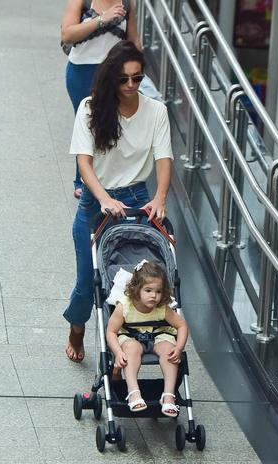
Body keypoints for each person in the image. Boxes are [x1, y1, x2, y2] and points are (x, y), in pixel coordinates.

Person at [63, 41, 173, 363]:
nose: (130, 86)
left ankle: (125, 346)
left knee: (136, 282)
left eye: (137, 79)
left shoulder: (156, 111)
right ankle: (77, 327)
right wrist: (104, 198)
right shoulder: (90, 108)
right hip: (97, 203)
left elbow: (164, 158)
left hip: (139, 200)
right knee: (88, 282)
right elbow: (84, 163)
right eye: (123, 79)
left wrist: (160, 197)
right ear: (111, 77)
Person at [61, 0, 141, 198]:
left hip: (114, 73)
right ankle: (82, 179)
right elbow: (67, 34)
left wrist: (139, 68)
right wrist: (101, 19)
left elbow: (134, 41)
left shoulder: (127, 4)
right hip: (82, 71)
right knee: (88, 124)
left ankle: (109, 178)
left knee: (115, 123)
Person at [106, 261, 188, 416]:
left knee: (168, 351)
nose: (154, 296)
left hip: (159, 335)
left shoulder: (162, 307)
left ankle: (168, 396)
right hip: (130, 336)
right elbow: (111, 331)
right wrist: (117, 352)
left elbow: (182, 326)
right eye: (148, 290)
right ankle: (133, 392)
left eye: (158, 291)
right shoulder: (124, 306)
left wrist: (178, 348)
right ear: (136, 290)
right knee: (131, 349)